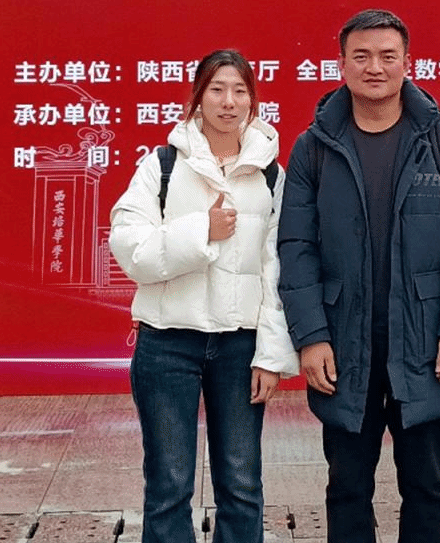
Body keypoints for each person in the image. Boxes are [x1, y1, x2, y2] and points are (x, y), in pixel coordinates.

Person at [278, 9, 440, 543]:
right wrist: (311, 337)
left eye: (387, 56)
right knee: (347, 486)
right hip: (343, 344)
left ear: (407, 63)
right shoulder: (313, 147)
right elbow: (296, 248)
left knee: (426, 485)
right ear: (342, 64)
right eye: (362, 56)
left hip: (424, 341)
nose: (375, 67)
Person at [109, 49, 298, 543]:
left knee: (242, 483)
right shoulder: (162, 165)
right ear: (197, 97)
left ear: (253, 100)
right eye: (217, 89)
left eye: (239, 91)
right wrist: (201, 232)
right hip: (167, 342)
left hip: (240, 346)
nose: (228, 102)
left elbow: (278, 271)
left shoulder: (271, 175)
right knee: (168, 484)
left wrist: (271, 356)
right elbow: (129, 247)